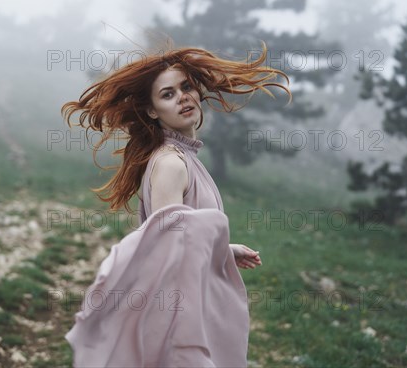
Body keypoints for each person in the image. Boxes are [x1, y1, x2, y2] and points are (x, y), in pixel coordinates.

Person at [61, 41, 291, 367]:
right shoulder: (171, 164)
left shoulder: (183, 158)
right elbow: (167, 254)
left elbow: (181, 239)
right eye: (167, 94)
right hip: (180, 317)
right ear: (153, 111)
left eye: (185, 87)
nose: (182, 97)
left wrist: (224, 249)